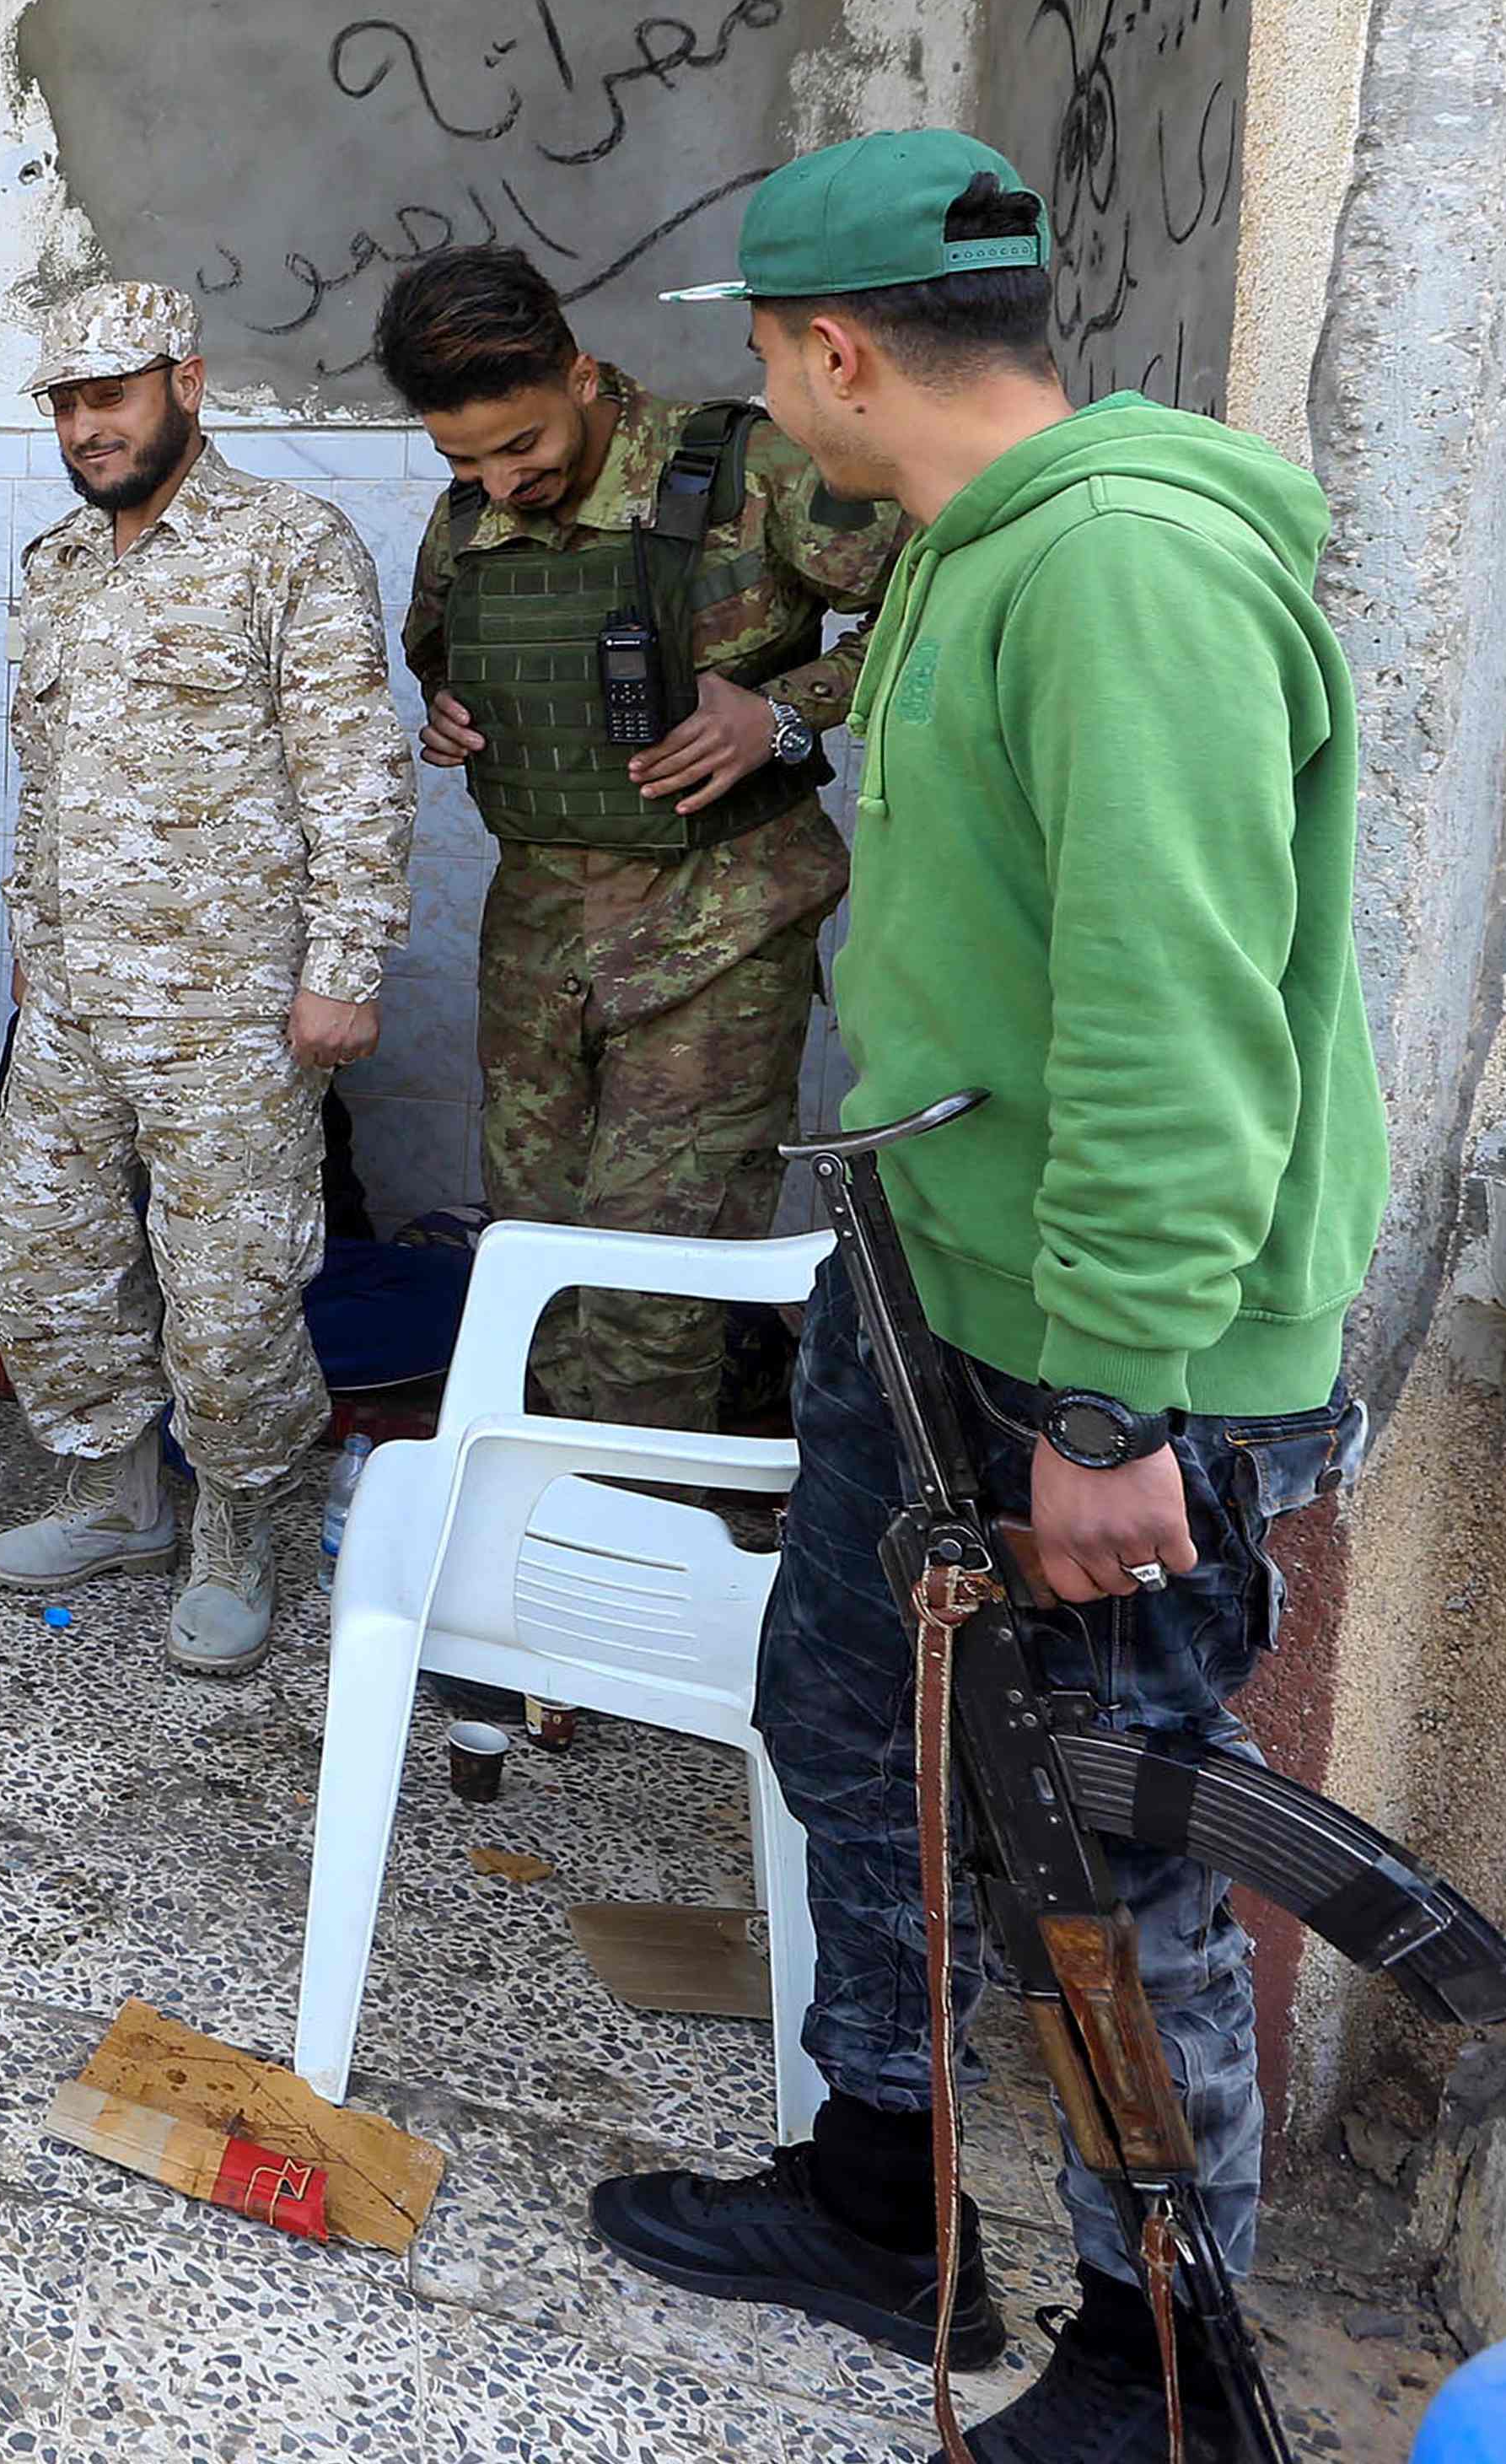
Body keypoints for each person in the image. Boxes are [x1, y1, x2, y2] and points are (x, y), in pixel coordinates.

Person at [584, 133, 1385, 2464]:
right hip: (937, 1282)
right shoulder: (968, 557)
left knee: (1107, 1843)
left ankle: (1165, 2366)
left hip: (1097, 1353)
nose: (763, 395)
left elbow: (1175, 1010)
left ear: (832, 354)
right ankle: (877, 2201)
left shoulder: (1124, 573)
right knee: (855, 1740)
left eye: (758, 358)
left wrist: (1121, 1403)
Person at [0, 282, 413, 1681]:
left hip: (233, 1004)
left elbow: (357, 770)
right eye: (66, 402)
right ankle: (113, 1495)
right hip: (75, 997)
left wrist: (344, 967)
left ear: (188, 383)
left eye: (112, 394)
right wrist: (30, 939)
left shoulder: (287, 543)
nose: (88, 425)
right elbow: (38, 781)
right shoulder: (49, 565)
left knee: (227, 1297)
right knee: (43, 1264)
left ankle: (236, 1524)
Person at [384, 244, 900, 1432]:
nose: (497, 482)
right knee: (535, 1262)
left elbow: (931, 602)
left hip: (716, 935)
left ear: (579, 374)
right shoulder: (465, 512)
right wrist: (454, 711)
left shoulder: (742, 467)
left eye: (520, 446)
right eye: (461, 456)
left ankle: (638, 1531)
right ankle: (550, 1503)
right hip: (538, 949)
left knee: (653, 1289)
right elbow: (440, 648)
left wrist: (780, 715)